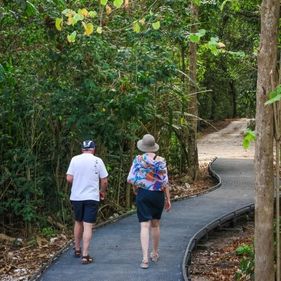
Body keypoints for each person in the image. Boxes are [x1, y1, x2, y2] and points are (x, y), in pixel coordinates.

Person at [127, 134, 171, 269]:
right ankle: (155, 253)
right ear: (154, 147)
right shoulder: (161, 161)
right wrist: (168, 199)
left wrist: (136, 189)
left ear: (143, 146)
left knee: (144, 226)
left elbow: (131, 178)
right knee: (155, 225)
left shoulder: (138, 160)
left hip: (143, 194)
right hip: (157, 195)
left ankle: (145, 259)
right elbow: (165, 182)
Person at [66, 140, 108, 264]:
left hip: (77, 197)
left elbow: (69, 178)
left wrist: (79, 181)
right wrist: (102, 191)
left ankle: (77, 249)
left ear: (82, 149)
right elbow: (104, 181)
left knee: (78, 222)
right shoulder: (98, 161)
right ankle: (85, 256)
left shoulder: (75, 159)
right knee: (88, 225)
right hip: (91, 197)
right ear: (93, 149)